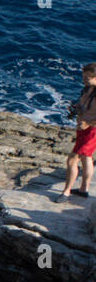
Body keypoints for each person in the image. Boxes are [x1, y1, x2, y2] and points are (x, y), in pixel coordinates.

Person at [61, 62, 96, 200]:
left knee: (72, 160)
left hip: (92, 132)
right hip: (82, 129)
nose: (84, 80)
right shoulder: (88, 89)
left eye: (88, 77)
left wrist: (88, 124)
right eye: (83, 76)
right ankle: (83, 189)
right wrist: (77, 107)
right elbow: (86, 105)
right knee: (86, 157)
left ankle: (66, 191)